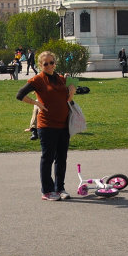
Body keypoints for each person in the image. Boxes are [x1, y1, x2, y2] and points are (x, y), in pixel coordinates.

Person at [15, 51, 76, 200]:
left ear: (55, 63)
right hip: (46, 125)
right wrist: (36, 103)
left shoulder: (61, 79)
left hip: (63, 125)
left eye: (52, 62)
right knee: (47, 158)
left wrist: (72, 91)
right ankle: (47, 191)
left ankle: (60, 188)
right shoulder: (38, 79)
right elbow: (20, 94)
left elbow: (67, 99)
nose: (49, 65)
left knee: (61, 158)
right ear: (40, 65)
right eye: (45, 63)